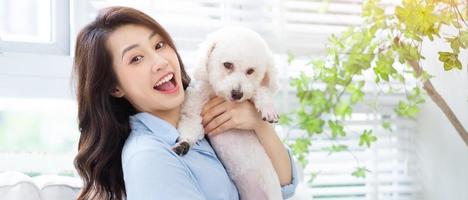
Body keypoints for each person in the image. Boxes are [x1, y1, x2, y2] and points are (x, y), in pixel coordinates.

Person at [73, 6, 298, 200]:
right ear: (115, 87)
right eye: (136, 59)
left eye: (159, 45)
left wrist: (259, 124)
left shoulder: (207, 111)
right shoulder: (150, 157)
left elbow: (285, 185)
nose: (160, 62)